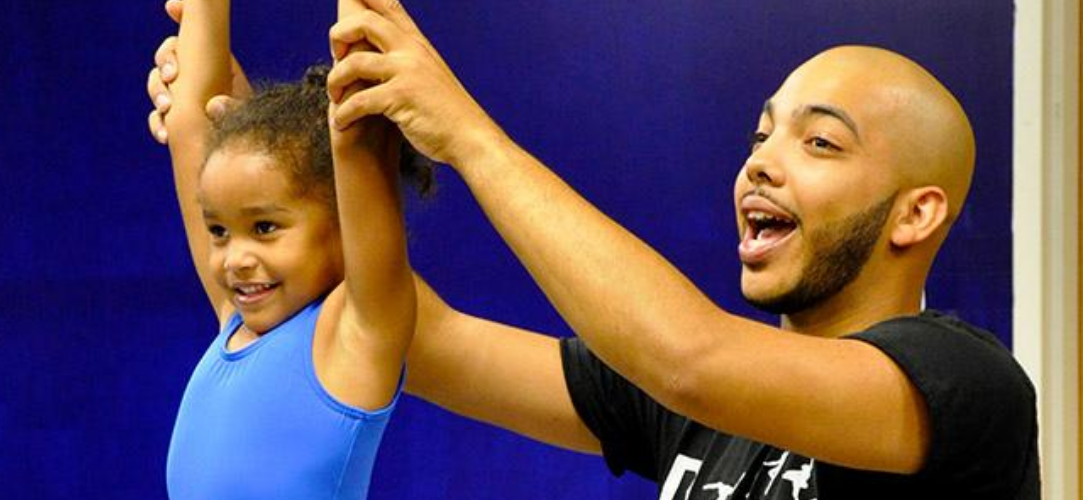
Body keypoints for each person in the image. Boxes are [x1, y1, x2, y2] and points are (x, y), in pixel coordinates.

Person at [147, 1, 1040, 497]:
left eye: (819, 143)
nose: (761, 164)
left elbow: (692, 358)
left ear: (915, 215)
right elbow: (410, 332)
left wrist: (467, 136)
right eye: (760, 135)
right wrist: (270, 179)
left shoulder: (965, 387)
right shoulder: (687, 406)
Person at [154, 0, 435, 498]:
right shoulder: (235, 320)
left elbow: (361, 121)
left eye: (264, 227)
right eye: (219, 231)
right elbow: (187, 127)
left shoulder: (356, 334)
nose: (234, 257)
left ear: (343, 221)